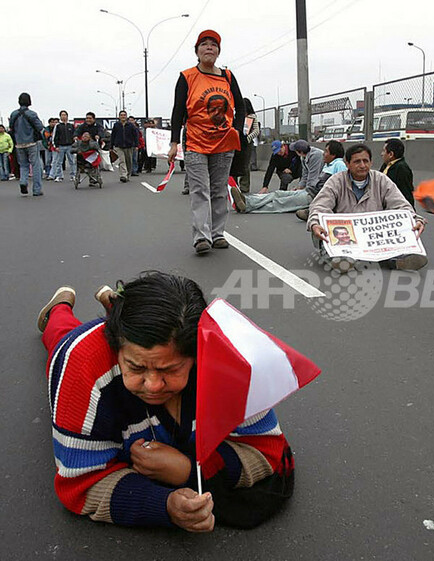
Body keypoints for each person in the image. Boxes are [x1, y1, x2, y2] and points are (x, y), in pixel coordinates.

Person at [36, 272, 295, 530]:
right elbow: (79, 484)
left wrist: (187, 471)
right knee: (60, 333)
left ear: (196, 354)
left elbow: (267, 450)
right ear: (116, 349)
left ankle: (115, 306)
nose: (152, 386)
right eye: (136, 368)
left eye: (170, 370)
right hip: (73, 343)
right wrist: (164, 505)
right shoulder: (82, 365)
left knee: (148, 340)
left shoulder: (229, 361)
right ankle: (59, 309)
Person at [168, 29, 245, 255]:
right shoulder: (187, 77)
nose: (209, 47)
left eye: (213, 44)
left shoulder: (228, 77)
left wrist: (237, 131)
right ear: (197, 51)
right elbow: (178, 110)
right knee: (200, 189)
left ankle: (217, 234)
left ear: (219, 51)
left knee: (219, 190)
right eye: (204, 44)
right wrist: (174, 142)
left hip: (223, 142)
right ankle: (201, 237)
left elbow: (240, 107)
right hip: (195, 142)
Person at [307, 143, 428, 271]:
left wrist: (414, 219)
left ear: (371, 162)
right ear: (347, 164)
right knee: (322, 233)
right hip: (346, 236)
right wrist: (314, 223)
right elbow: (320, 206)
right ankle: (341, 260)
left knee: (403, 231)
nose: (362, 165)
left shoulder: (381, 180)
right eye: (357, 162)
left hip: (371, 236)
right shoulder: (336, 181)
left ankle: (397, 261)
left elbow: (400, 205)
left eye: (366, 161)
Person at [232, 140, 346, 215]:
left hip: (313, 196)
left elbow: (341, 189)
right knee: (278, 194)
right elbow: (306, 175)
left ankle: (246, 207)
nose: (323, 153)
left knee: (280, 203)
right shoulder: (327, 164)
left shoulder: (338, 165)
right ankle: (246, 201)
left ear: (333, 154)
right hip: (309, 191)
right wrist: (301, 187)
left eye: (326, 151)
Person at [8, 92, 46, 196]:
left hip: (19, 143)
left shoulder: (14, 114)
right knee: (36, 165)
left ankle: (23, 182)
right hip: (32, 142)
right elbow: (40, 128)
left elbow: (11, 127)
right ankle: (37, 190)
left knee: (23, 165)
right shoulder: (32, 114)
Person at [231, 97, 260, 194]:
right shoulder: (236, 116)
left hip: (247, 144)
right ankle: (234, 186)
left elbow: (256, 131)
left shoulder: (252, 117)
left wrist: (247, 139)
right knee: (234, 164)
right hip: (235, 142)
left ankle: (244, 187)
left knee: (245, 165)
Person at [380, 138, 415, 205]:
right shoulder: (386, 165)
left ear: (391, 154)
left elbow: (406, 193)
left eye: (384, 151)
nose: (381, 154)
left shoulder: (402, 168)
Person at [111, 110, 139, 182]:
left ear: (126, 116)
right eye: (121, 115)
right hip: (119, 146)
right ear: (119, 117)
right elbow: (113, 135)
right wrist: (111, 146)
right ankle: (123, 175)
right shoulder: (116, 125)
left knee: (128, 161)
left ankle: (128, 174)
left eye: (124, 115)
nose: (123, 116)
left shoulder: (131, 125)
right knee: (122, 160)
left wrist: (136, 145)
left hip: (129, 146)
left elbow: (135, 135)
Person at [50, 110, 76, 182]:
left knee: (72, 161)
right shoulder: (58, 126)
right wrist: (56, 146)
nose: (63, 116)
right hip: (61, 146)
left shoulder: (71, 125)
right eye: (62, 115)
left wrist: (74, 144)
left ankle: (73, 175)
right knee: (59, 162)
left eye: (65, 115)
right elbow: (54, 137)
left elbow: (74, 135)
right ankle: (59, 176)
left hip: (70, 146)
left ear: (67, 116)